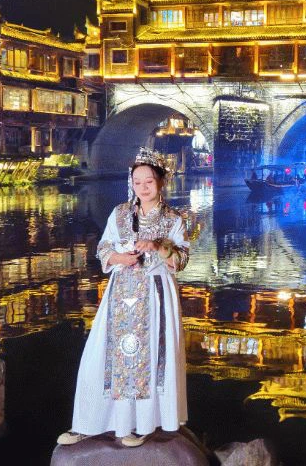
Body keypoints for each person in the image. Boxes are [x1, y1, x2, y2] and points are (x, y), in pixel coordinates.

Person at [57, 147, 190, 448]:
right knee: (101, 354)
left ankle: (141, 424)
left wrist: (157, 245)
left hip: (155, 296)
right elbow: (102, 248)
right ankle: (88, 423)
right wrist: (118, 257)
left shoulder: (173, 219)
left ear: (161, 183)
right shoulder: (120, 214)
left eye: (149, 182)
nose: (143, 188)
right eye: (137, 182)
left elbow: (181, 259)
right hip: (120, 292)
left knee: (148, 357)